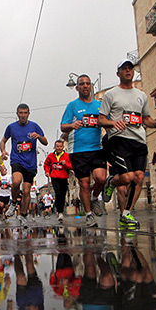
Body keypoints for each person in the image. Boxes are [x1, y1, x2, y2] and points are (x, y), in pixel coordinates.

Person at [99, 60, 156, 227]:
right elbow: (101, 119)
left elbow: (146, 119)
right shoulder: (111, 95)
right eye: (124, 69)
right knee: (127, 177)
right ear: (118, 73)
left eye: (130, 68)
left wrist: (155, 123)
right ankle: (112, 181)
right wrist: (113, 123)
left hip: (139, 140)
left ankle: (126, 214)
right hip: (119, 139)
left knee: (139, 177)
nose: (128, 71)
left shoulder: (141, 95)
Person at [60, 74, 106, 227]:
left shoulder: (99, 105)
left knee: (101, 179)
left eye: (87, 83)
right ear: (77, 88)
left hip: (96, 148)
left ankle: (95, 197)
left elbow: (106, 121)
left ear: (91, 86)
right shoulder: (72, 106)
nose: (85, 86)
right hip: (78, 151)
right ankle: (88, 215)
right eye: (82, 84)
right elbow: (63, 126)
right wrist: (72, 125)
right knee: (84, 183)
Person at [0, 103, 47, 227]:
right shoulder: (11, 127)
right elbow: (3, 141)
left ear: (28, 114)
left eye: (25, 113)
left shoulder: (34, 126)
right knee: (16, 181)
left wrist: (39, 137)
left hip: (30, 163)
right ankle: (14, 202)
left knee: (26, 191)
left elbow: (46, 142)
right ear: (17, 114)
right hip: (17, 159)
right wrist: (3, 151)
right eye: (20, 113)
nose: (23, 115)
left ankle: (24, 215)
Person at [43, 139, 73, 224]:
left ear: (63, 147)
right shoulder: (50, 156)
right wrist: (47, 172)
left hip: (64, 177)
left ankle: (60, 210)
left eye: (60, 147)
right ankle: (59, 212)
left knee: (63, 195)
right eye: (57, 146)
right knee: (58, 193)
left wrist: (65, 164)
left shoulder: (67, 156)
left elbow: (72, 166)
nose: (59, 148)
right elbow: (46, 164)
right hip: (54, 177)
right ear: (55, 147)